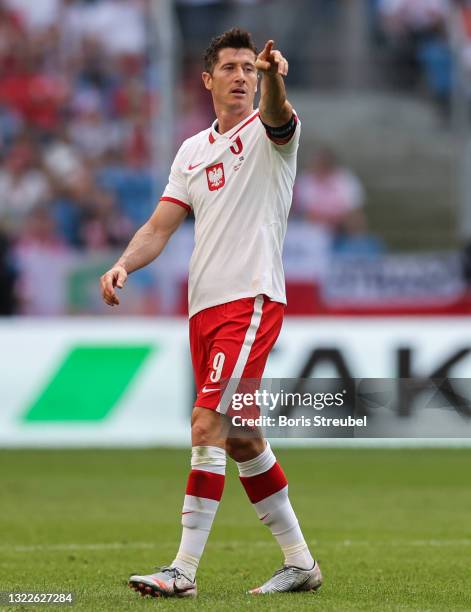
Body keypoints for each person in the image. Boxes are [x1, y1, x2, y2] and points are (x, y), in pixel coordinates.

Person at [100, 28, 322, 598]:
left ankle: (183, 571)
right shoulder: (191, 151)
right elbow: (159, 226)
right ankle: (301, 564)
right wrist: (125, 263)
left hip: (248, 302)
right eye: (231, 68)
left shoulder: (274, 134)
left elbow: (279, 114)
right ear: (208, 79)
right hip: (204, 311)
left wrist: (276, 80)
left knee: (207, 426)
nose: (242, 77)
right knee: (244, 438)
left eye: (250, 68)